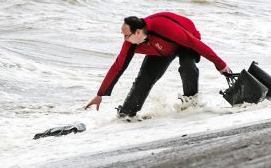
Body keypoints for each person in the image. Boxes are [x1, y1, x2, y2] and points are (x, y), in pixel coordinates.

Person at [85, 12, 232, 117]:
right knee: (144, 79)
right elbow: (118, 66)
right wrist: (100, 94)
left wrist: (220, 65)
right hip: (161, 50)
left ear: (137, 32)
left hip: (185, 40)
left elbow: (195, 44)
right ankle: (127, 114)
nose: (124, 39)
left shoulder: (164, 28)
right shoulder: (130, 43)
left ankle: (190, 104)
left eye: (126, 36)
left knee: (188, 67)